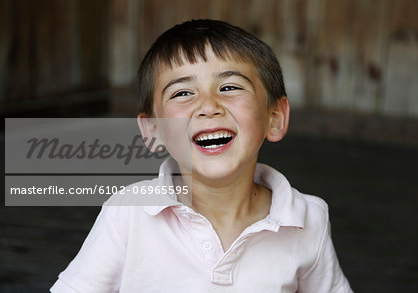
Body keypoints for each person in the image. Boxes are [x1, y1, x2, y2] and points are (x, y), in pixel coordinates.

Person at [50, 19, 352, 293]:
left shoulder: (308, 219)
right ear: (154, 130)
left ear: (274, 117)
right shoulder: (129, 212)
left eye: (230, 87)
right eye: (182, 93)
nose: (209, 106)